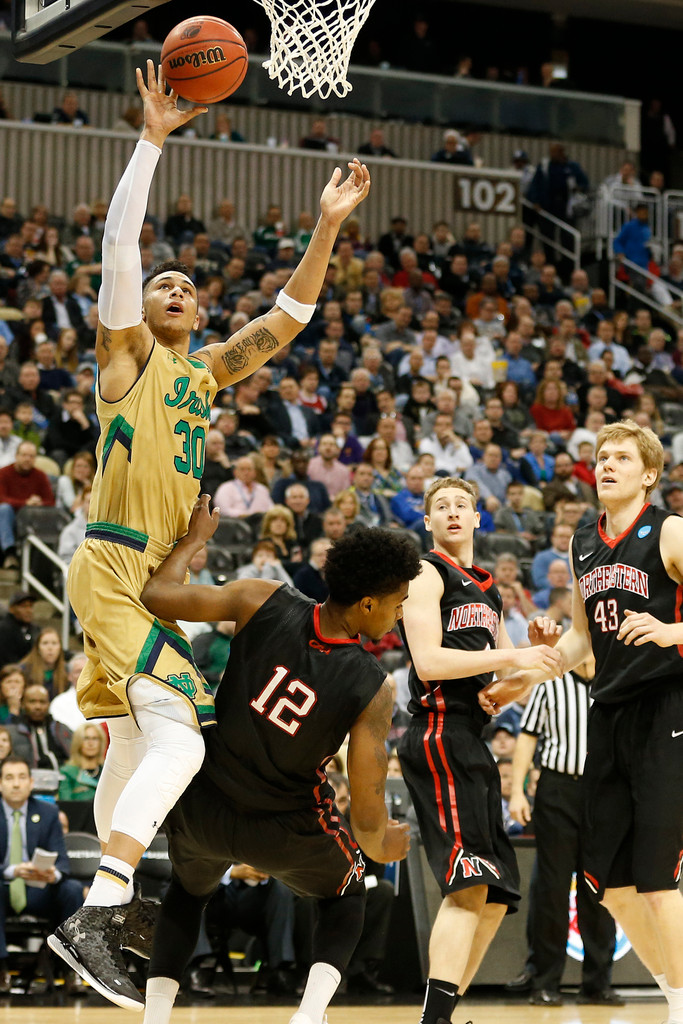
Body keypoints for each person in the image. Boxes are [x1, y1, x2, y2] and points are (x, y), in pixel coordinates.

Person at [47, 60, 372, 1010]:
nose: (176, 283)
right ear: (137, 315)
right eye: (161, 284)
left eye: (187, 282)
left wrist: (325, 226)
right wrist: (152, 139)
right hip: (108, 563)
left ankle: (107, 918)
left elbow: (287, 319)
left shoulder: (201, 378)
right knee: (184, 739)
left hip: (144, 576)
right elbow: (116, 248)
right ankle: (105, 905)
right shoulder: (123, 363)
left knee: (130, 746)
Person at [103, 498, 424, 1024]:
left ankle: (155, 1015)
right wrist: (385, 844)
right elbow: (366, 819)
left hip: (205, 807)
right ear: (367, 605)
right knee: (349, 890)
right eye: (398, 602)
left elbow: (156, 595)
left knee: (187, 891)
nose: (399, 614)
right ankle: (308, 1015)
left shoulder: (261, 597)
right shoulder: (374, 686)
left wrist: (191, 542)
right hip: (286, 825)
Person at [481, 420, 683, 1024]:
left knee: (655, 879)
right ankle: (676, 993)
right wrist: (526, 675)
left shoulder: (669, 531)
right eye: (601, 456)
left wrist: (674, 631)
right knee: (611, 885)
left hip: (667, 709)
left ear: (648, 474)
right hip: (610, 714)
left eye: (622, 457)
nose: (607, 464)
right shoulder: (581, 543)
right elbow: (578, 639)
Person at [397, 476, 562, 1024]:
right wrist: (513, 656)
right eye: (439, 506)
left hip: (473, 736)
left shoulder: (488, 590)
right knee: (469, 885)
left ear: (476, 519)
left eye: (460, 505)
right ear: (427, 521)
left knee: (494, 896)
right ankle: (433, 1021)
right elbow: (428, 663)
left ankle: (443, 1014)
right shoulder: (426, 573)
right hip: (439, 732)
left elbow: (500, 693)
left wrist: (537, 658)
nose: (450, 512)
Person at [509, 662, 622, 1007]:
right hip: (557, 790)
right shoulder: (551, 681)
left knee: (599, 889)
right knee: (552, 889)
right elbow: (528, 736)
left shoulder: (614, 678)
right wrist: (517, 791)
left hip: (603, 792)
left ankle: (598, 983)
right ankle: (544, 981)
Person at [0, 756, 84, 993]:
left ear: (30, 782)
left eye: (21, 777)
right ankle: (1, 969)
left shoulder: (48, 813)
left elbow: (63, 864)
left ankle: (71, 969)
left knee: (71, 889)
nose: (16, 784)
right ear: (0, 784)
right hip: (4, 890)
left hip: (38, 891)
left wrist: (52, 875)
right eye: (9, 778)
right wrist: (12, 870)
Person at [58, 723, 107, 801]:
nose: (90, 743)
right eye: (86, 738)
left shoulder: (109, 771)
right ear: (78, 742)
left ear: (101, 742)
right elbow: (65, 804)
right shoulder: (67, 772)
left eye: (95, 738)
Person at [19, 626, 68, 698]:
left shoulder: (68, 671)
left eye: (54, 643)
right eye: (45, 643)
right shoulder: (24, 670)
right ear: (38, 648)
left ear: (60, 648)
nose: (50, 648)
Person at [0, 591, 39, 664]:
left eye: (31, 606)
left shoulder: (35, 629)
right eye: (24, 606)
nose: (29, 610)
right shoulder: (3, 630)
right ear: (11, 609)